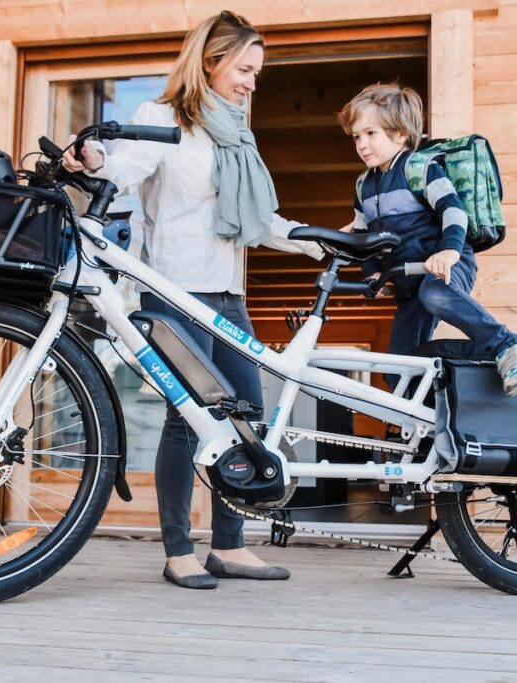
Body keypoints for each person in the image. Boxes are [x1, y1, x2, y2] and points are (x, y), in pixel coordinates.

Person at [62, 10, 322, 589]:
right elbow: (125, 167)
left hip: (228, 292)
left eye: (257, 72)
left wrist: (317, 241)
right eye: (246, 69)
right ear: (212, 62)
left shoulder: (235, 134)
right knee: (189, 422)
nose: (253, 82)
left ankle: (229, 546)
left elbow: (258, 219)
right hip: (175, 290)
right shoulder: (159, 120)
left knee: (247, 417)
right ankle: (179, 549)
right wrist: (96, 161)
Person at [337, 83, 517, 396]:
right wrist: (373, 273)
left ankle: (510, 348)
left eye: (371, 134)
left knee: (436, 294)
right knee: (399, 373)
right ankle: (428, 427)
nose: (362, 144)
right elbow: (366, 236)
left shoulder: (419, 169)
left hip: (444, 265)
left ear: (400, 134)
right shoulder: (364, 185)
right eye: (356, 137)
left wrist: (448, 252)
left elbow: (454, 212)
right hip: (407, 282)